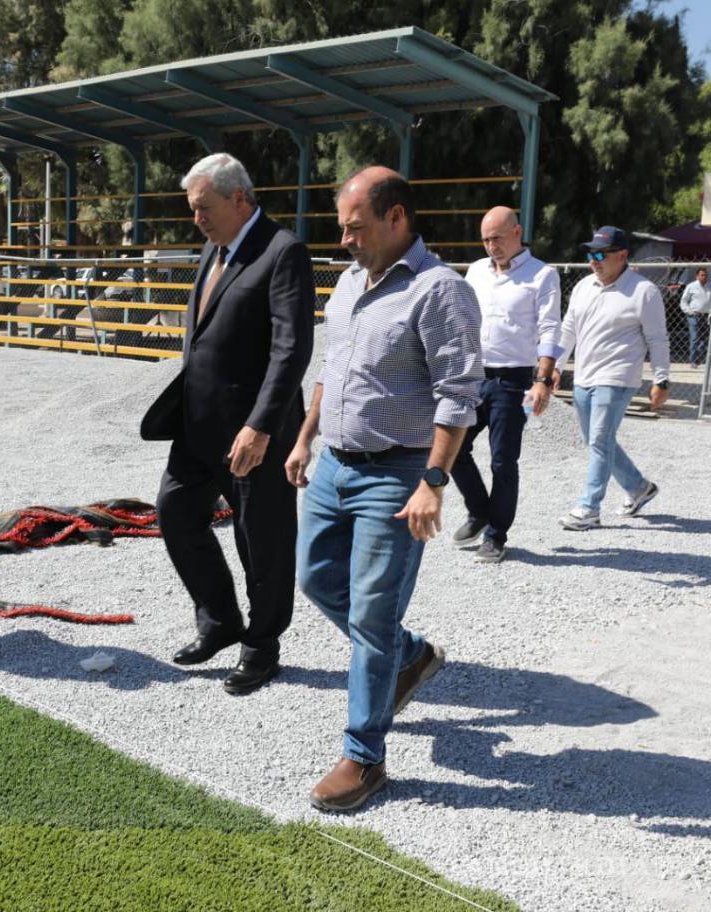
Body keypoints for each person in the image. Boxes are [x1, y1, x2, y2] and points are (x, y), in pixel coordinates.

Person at [284, 166, 482, 812]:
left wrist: (434, 480)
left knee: (372, 615)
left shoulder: (438, 291)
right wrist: (305, 437)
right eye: (342, 227)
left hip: (397, 474)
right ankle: (410, 656)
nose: (345, 239)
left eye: (356, 227)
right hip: (335, 465)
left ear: (397, 219)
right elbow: (330, 370)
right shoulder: (346, 283)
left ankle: (364, 758)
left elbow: (459, 394)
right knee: (314, 577)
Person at [141, 152, 313, 695]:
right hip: (198, 427)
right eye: (193, 209)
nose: (197, 218)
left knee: (261, 542)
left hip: (253, 434)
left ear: (239, 198)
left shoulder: (282, 252)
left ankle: (261, 645)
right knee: (175, 513)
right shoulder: (213, 250)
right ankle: (218, 622)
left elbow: (291, 350)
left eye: (204, 207)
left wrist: (262, 426)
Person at [450, 206, 562, 564]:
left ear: (517, 232)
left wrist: (543, 380)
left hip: (513, 381)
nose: (490, 246)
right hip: (473, 374)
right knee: (452, 447)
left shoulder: (542, 275)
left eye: (496, 238)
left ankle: (496, 535)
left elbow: (549, 329)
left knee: (503, 461)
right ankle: (479, 510)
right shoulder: (477, 272)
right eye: (485, 239)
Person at [554, 226, 669, 531]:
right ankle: (639, 487)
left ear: (622, 255)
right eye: (590, 253)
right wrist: (555, 366)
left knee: (600, 442)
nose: (594, 260)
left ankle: (589, 507)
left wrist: (662, 379)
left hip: (618, 378)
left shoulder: (644, 291)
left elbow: (658, 339)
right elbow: (568, 330)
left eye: (601, 254)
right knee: (597, 441)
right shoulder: (582, 287)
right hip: (583, 376)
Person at [679, 267, 710, 368]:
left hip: (707, 316)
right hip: (694, 315)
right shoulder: (691, 286)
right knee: (695, 338)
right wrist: (690, 312)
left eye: (705, 275)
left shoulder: (710, 286)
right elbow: (683, 301)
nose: (704, 277)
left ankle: (699, 359)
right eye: (702, 275)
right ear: (696, 276)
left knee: (705, 339)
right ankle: (693, 360)